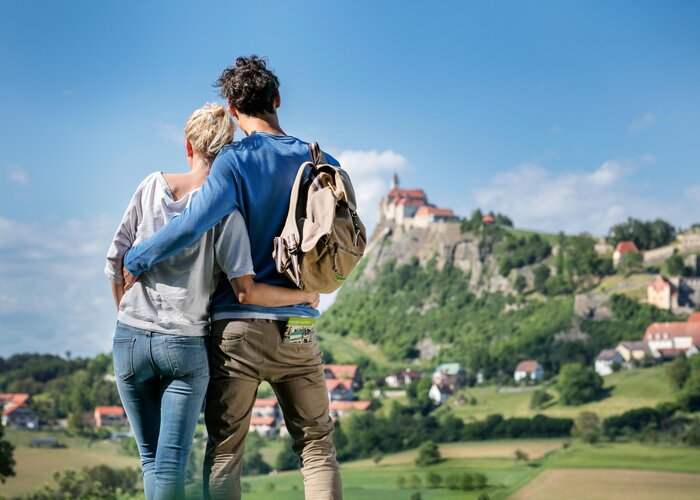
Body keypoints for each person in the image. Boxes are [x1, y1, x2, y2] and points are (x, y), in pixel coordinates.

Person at [123, 56, 343, 500]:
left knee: (225, 453)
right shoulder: (322, 160)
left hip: (237, 330)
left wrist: (137, 257)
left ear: (231, 107)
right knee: (317, 445)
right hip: (299, 326)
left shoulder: (234, 162)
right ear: (277, 99)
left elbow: (192, 224)